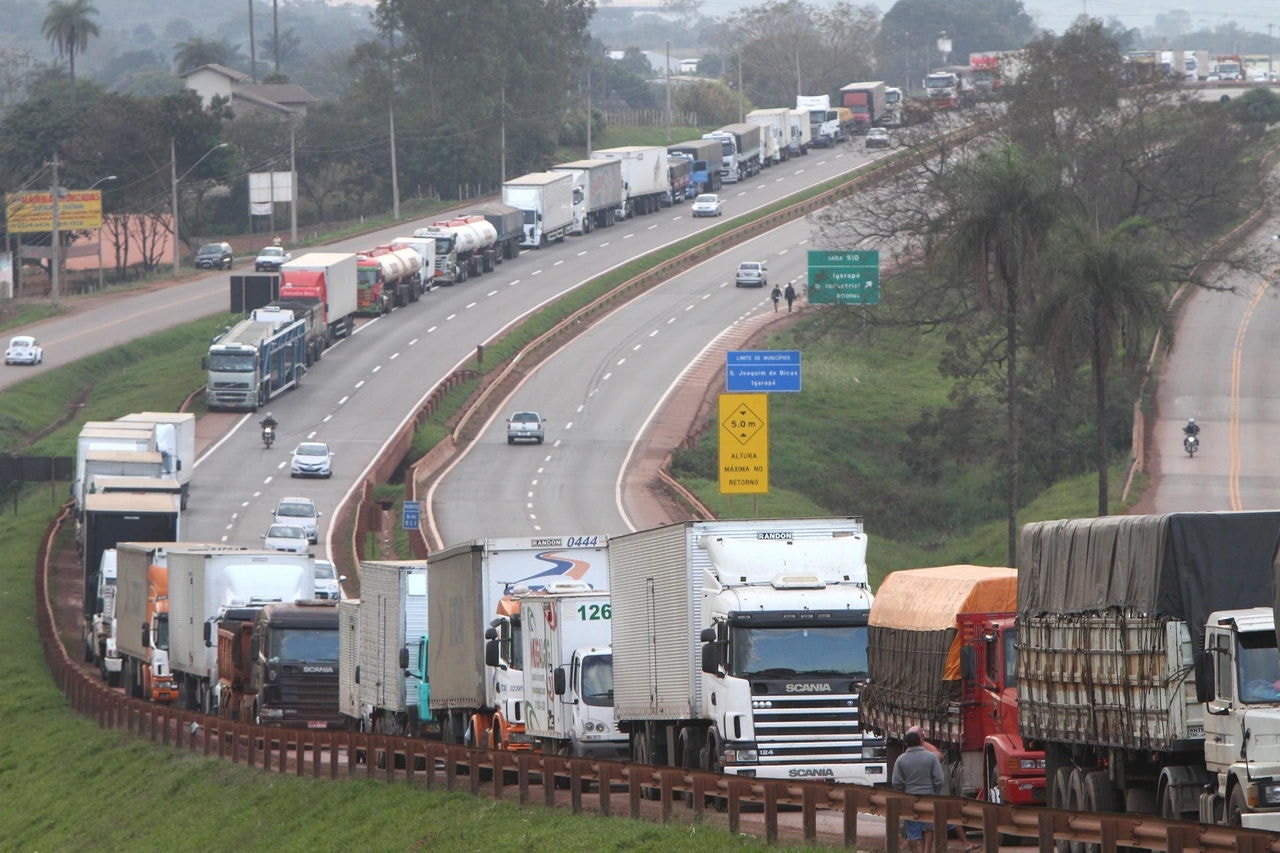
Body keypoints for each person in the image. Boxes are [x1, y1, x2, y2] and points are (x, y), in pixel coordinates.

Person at [892, 729, 945, 853]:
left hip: (910, 798)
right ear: (920, 742)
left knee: (912, 830)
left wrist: (904, 792)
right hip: (929, 797)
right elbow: (939, 779)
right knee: (929, 827)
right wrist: (934, 792)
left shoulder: (901, 760)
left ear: (906, 744)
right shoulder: (931, 757)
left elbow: (896, 782)